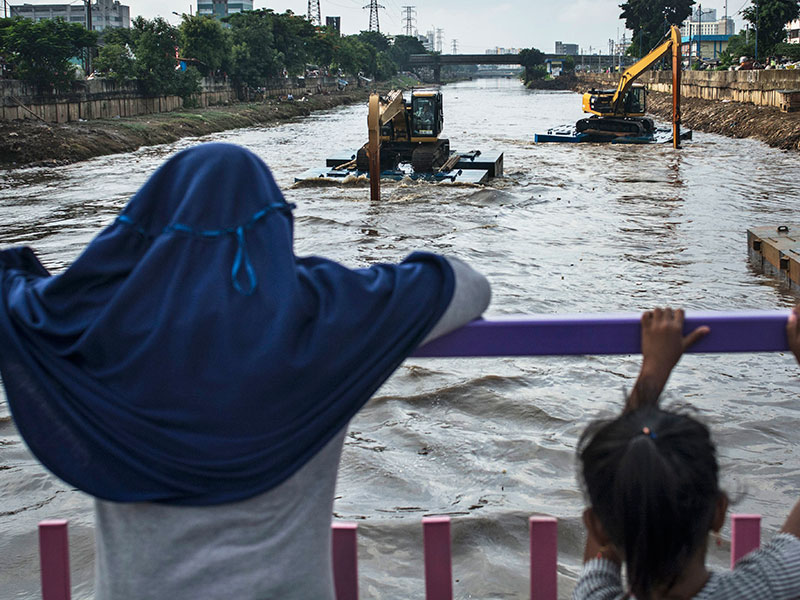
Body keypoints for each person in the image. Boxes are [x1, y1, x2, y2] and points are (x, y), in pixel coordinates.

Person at [0, 143, 491, 599]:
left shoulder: (98, 329)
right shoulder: (323, 316)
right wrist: (329, 283)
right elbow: (469, 285)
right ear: (274, 227)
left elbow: (16, 294)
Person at [574, 307, 800, 599]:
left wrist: (653, 370)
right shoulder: (763, 588)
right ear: (719, 511)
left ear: (597, 525)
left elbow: (612, 483)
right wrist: (656, 369)